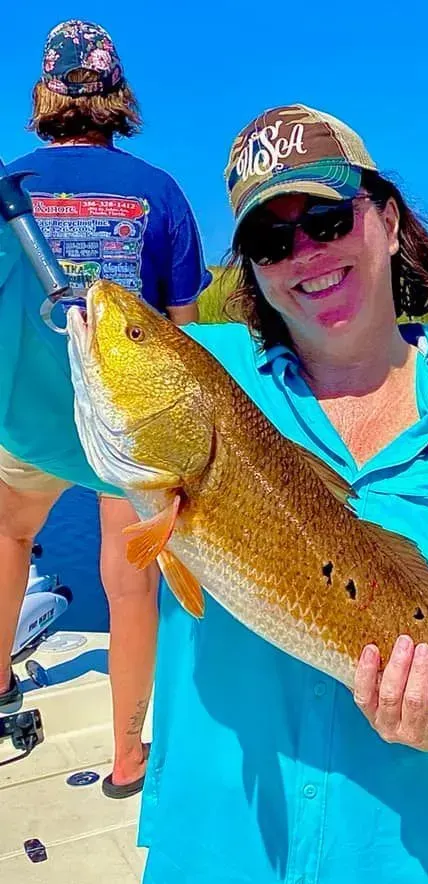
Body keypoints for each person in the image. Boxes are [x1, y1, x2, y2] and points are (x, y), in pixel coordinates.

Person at [1, 104, 428, 884]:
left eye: (327, 218)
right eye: (271, 243)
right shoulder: (214, 376)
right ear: (254, 272)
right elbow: (30, 399)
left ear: (386, 220)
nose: (304, 253)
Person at [0, 19, 211, 801]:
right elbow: (184, 343)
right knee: (129, 586)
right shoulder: (159, 194)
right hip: (125, 439)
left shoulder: (7, 188)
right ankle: (127, 760)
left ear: (44, 93)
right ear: (118, 95)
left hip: (24, 424)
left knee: (9, 537)